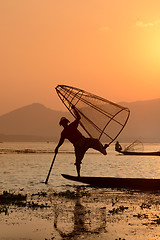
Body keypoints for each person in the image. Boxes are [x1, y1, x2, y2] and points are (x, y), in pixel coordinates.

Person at [55, 105, 108, 177]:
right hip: (78, 146)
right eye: (63, 123)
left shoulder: (72, 125)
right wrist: (57, 148)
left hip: (84, 141)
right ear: (62, 124)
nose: (64, 123)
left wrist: (74, 109)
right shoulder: (63, 133)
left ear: (66, 122)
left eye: (65, 122)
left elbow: (79, 117)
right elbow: (61, 141)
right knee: (77, 162)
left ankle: (103, 149)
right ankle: (78, 175)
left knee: (96, 141)